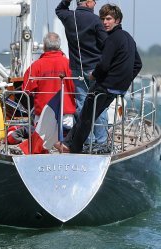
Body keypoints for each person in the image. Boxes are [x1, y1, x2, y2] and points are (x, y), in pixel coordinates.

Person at [58, 4, 142, 153]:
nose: (105, 22)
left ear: (118, 20)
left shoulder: (112, 39)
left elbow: (103, 65)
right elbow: (138, 64)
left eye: (109, 19)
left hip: (106, 85)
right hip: (118, 88)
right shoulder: (128, 37)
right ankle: (73, 143)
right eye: (103, 19)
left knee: (86, 115)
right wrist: (125, 81)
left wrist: (94, 75)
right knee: (93, 113)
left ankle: (72, 147)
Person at [56, 0, 109, 143]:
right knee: (99, 104)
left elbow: (59, 9)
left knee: (81, 104)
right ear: (87, 3)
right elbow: (106, 45)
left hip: (77, 69)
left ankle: (86, 140)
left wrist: (68, 0)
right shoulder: (97, 20)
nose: (96, 3)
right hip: (95, 69)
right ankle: (102, 140)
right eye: (94, 1)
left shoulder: (68, 17)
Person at [22, 32, 76, 129]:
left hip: (43, 113)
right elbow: (77, 88)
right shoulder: (69, 64)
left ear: (45, 46)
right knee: (65, 141)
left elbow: (26, 90)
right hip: (66, 113)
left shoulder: (35, 66)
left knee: (42, 142)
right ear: (59, 46)